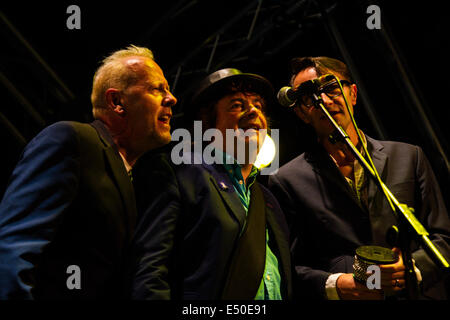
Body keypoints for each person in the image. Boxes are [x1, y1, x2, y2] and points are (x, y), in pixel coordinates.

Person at [0, 45, 177, 299]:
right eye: (156, 89)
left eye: (168, 89)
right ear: (117, 102)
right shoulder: (72, 140)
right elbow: (13, 249)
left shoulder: (132, 176)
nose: (172, 98)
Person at [268, 56, 450, 300]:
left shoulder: (409, 156)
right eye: (309, 98)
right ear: (301, 114)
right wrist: (337, 284)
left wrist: (410, 269)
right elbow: (290, 266)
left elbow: (443, 236)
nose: (322, 100)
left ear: (353, 94)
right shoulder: (286, 180)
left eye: (330, 88)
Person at [130, 68, 293, 300]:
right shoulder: (180, 173)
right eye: (237, 105)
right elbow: (150, 269)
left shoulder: (269, 200)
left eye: (258, 104)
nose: (254, 110)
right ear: (207, 124)